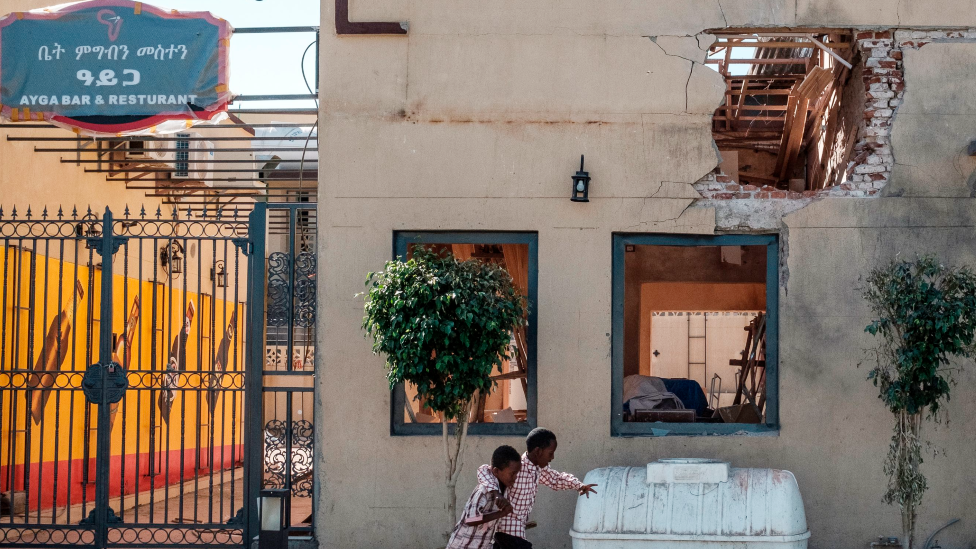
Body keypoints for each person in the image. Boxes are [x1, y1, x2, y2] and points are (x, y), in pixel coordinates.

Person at [476, 428, 598, 549]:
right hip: (506, 532)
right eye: (550, 453)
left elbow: (556, 479)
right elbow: (484, 470)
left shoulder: (538, 469)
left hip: (515, 533)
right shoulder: (517, 468)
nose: (552, 457)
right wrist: (497, 494)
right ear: (538, 451)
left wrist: (579, 485)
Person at [447, 445, 522, 549]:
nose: (515, 478)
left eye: (517, 474)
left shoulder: (504, 490)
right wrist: (501, 513)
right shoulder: (483, 491)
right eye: (512, 473)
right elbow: (470, 520)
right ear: (496, 472)